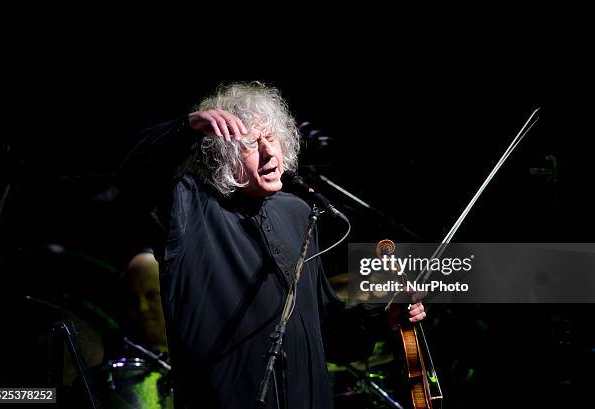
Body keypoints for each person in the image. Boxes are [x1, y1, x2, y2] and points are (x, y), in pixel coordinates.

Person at [120, 82, 425, 409]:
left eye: (271, 138)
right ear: (221, 154)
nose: (268, 152)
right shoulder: (189, 210)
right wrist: (188, 125)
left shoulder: (297, 212)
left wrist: (384, 319)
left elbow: (328, 333)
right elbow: (135, 174)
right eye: (251, 143)